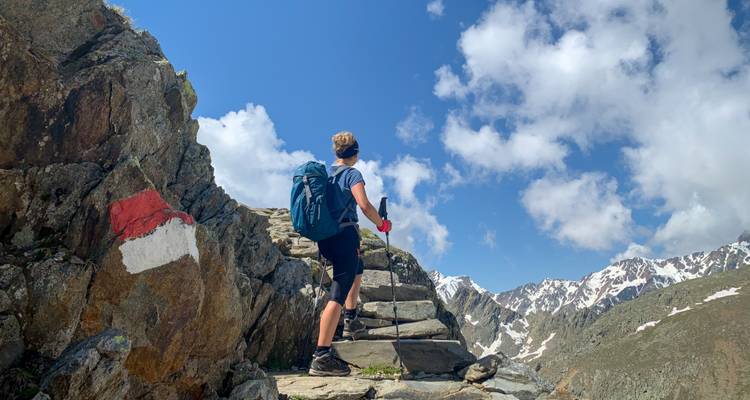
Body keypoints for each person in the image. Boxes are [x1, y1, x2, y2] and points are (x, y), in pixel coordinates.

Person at [308, 131, 393, 377]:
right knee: (338, 290)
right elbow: (364, 205)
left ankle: (351, 318)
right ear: (355, 153)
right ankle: (321, 356)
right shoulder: (352, 174)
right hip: (345, 236)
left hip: (326, 238)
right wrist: (382, 225)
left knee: (357, 267)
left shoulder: (327, 175)